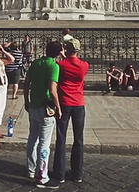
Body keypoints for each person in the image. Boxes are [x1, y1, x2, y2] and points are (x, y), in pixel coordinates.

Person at [24, 41, 62, 189]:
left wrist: (26, 101)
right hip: (45, 109)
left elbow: (26, 83)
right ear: (58, 53)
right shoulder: (53, 66)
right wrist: (58, 108)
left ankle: (31, 170)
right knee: (44, 143)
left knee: (32, 139)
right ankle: (42, 177)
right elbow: (53, 90)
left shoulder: (35, 63)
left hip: (33, 106)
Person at [53, 38, 88, 184]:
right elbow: (74, 63)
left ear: (66, 49)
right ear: (78, 50)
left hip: (64, 104)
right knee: (78, 139)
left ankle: (59, 174)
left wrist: (62, 56)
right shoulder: (84, 65)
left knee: (61, 138)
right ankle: (77, 173)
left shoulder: (60, 64)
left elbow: (62, 67)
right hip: (79, 104)